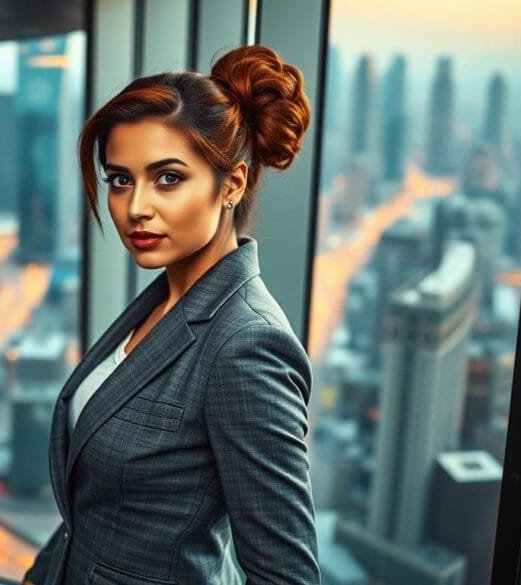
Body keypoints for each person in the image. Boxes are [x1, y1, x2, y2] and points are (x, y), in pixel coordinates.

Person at [22, 44, 320, 585]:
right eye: (119, 179)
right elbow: (100, 500)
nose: (136, 207)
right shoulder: (161, 302)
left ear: (230, 185)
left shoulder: (246, 345)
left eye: (168, 178)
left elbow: (287, 575)